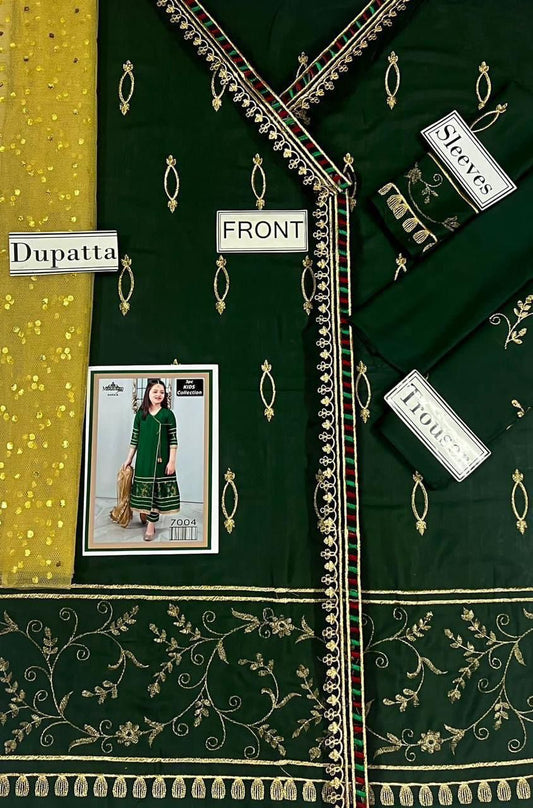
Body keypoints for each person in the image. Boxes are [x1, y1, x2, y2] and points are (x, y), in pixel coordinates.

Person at [122, 379, 180, 541]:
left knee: (155, 493)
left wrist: (172, 461)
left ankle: (151, 526)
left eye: (162, 392)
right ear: (148, 393)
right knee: (143, 490)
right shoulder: (141, 415)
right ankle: (144, 512)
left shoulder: (168, 415)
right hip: (143, 461)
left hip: (161, 461)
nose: (159, 395)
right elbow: (134, 439)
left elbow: (173, 440)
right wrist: (129, 459)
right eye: (155, 391)